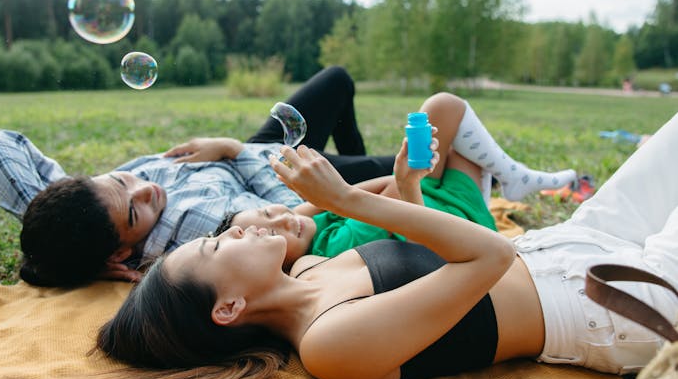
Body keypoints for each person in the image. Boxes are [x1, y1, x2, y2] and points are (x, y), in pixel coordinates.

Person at [0, 117, 678, 379]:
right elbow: (485, 259)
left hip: (574, 241)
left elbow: (443, 239)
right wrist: (352, 199)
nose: (234, 232)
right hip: (616, 305)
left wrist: (402, 186)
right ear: (229, 307)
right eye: (216, 247)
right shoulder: (329, 346)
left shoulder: (310, 271)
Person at [0, 66, 396, 288]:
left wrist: (59, 255)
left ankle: (352, 157)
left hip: (247, 150)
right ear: (119, 255)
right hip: (274, 164)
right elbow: (285, 207)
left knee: (336, 80)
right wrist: (230, 148)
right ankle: (354, 175)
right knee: (414, 163)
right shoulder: (189, 235)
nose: (145, 189)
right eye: (135, 213)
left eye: (121, 181)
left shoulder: (76, 210)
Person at [218, 91, 577, 269]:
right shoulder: (330, 251)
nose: (281, 220)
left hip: (427, 193)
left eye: (267, 214)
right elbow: (382, 202)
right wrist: (341, 194)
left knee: (443, 111)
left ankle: (510, 179)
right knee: (443, 113)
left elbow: (368, 190)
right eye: (273, 233)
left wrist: (320, 200)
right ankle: (512, 179)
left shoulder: (305, 220)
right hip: (451, 221)